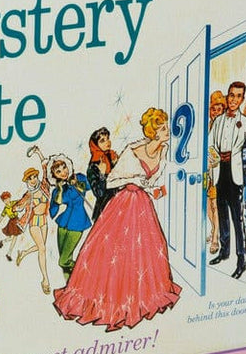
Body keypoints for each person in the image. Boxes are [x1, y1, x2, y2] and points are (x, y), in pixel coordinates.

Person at [53, 108, 182, 331]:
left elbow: (150, 181)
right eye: (162, 128)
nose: (166, 131)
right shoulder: (132, 150)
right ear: (153, 132)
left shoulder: (164, 150)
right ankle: (112, 303)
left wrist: (153, 189)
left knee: (149, 250)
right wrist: (138, 182)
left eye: (165, 127)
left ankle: (142, 297)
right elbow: (113, 181)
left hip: (143, 204)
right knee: (114, 254)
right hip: (123, 203)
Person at [208, 81, 246, 279]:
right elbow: (210, 144)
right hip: (220, 171)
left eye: (238, 96)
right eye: (232, 95)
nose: (234, 100)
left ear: (242, 99)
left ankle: (241, 260)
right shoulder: (218, 121)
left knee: (237, 218)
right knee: (222, 214)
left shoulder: (244, 122)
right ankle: (224, 251)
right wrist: (212, 155)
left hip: (235, 174)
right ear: (228, 96)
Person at [46, 154, 92, 279]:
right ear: (54, 175)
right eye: (58, 171)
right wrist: (60, 190)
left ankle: (85, 271)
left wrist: (76, 183)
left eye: (64, 167)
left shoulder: (79, 177)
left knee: (63, 260)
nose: (63, 172)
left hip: (78, 221)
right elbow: (56, 204)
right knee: (65, 260)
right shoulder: (58, 190)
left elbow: (88, 186)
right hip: (63, 222)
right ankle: (70, 286)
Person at [14, 152, 52, 294]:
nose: (33, 180)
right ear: (26, 181)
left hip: (44, 221)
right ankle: (45, 280)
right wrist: (17, 207)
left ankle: (24, 252)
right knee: (42, 249)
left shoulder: (44, 186)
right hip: (34, 223)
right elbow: (17, 206)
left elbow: (45, 168)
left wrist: (38, 153)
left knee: (41, 247)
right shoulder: (28, 195)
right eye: (30, 178)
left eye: (35, 176)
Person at [206, 91, 226, 253]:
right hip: (206, 172)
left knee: (215, 205)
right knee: (207, 204)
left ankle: (215, 238)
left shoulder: (225, 127)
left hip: (219, 172)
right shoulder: (206, 126)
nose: (216, 112)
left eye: (220, 109)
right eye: (214, 109)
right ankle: (214, 229)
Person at [86, 127, 119, 221]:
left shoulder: (112, 157)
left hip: (118, 203)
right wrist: (102, 175)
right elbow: (99, 193)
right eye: (102, 140)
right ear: (95, 145)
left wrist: (116, 165)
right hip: (105, 208)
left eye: (108, 138)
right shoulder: (93, 166)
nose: (107, 142)